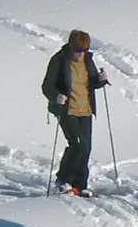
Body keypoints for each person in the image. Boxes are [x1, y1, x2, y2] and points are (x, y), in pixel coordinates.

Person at [40, 29, 107, 196]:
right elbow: (47, 85)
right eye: (78, 50)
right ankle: (63, 180)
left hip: (85, 109)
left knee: (86, 148)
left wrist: (101, 80)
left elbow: (92, 82)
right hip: (67, 110)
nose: (81, 54)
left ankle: (81, 185)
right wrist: (56, 96)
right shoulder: (59, 60)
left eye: (84, 50)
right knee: (78, 145)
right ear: (71, 47)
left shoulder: (87, 60)